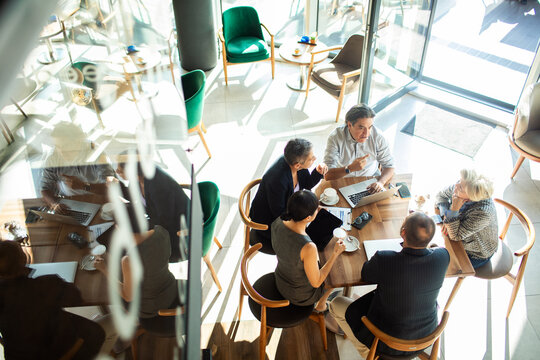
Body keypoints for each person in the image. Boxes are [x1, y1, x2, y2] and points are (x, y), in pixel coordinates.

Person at [329, 212, 449, 358]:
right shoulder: (443, 257)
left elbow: (366, 273)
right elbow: (436, 250)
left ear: (403, 232)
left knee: (336, 303)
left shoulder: (385, 259)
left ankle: (371, 353)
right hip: (425, 336)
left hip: (386, 342)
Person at [0, 240, 106, 359]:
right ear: (24, 259)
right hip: (65, 353)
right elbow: (76, 298)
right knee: (101, 330)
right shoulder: (46, 286)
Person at [94, 206, 180, 336]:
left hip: (152, 306)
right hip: (170, 286)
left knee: (114, 291)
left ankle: (131, 322)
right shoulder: (162, 232)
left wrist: (104, 270)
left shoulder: (128, 260)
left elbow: (128, 296)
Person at [272, 190, 346, 311]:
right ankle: (320, 305)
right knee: (337, 277)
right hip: (300, 296)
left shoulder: (278, 221)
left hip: (281, 279)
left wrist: (314, 211)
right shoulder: (308, 247)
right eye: (316, 209)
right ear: (308, 217)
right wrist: (335, 254)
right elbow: (316, 283)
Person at [250, 138, 328, 253]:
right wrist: (308, 214)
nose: (315, 159)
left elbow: (306, 184)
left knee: (319, 227)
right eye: (311, 158)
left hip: (286, 211)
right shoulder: (278, 180)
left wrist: (317, 172)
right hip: (267, 223)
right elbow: (279, 214)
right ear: (297, 165)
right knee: (305, 245)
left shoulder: (295, 164)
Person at [116, 154, 189, 262]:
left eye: (120, 170)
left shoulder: (159, 186)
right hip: (162, 224)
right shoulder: (139, 178)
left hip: (179, 234)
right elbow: (135, 197)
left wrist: (140, 237)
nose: (117, 172)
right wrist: (117, 185)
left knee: (135, 253)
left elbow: (164, 225)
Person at [40, 122, 115, 213]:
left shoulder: (95, 151)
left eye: (66, 146)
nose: (61, 152)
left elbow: (109, 187)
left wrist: (83, 186)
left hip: (98, 196)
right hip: (70, 201)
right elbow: (45, 188)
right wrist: (54, 204)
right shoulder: (52, 157)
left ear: (79, 141)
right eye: (57, 147)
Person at [435, 168, 498, 268]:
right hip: (458, 235)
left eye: (460, 187)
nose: (456, 185)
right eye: (459, 181)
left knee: (436, 266)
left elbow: (455, 236)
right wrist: (445, 215)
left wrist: (454, 210)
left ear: (471, 197)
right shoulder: (461, 189)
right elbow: (440, 195)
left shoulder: (483, 213)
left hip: (475, 253)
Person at [323, 104, 394, 193]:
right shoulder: (335, 137)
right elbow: (328, 175)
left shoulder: (379, 137)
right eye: (361, 128)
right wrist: (349, 168)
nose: (366, 133)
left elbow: (389, 166)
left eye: (369, 127)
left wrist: (380, 183)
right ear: (349, 125)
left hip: (370, 179)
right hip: (343, 179)